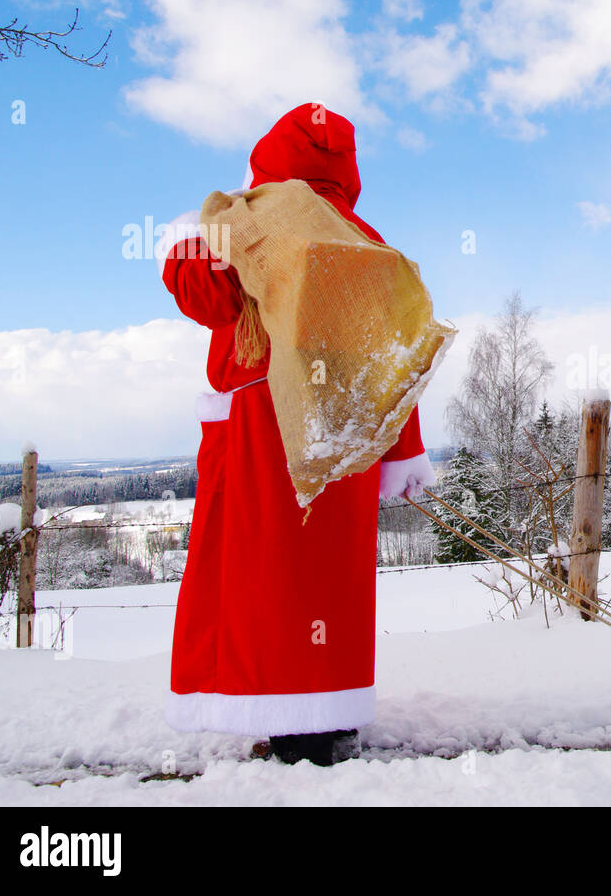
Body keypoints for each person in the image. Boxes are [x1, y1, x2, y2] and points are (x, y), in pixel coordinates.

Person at [157, 102, 434, 765]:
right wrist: (402, 448)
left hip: (266, 426)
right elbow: (395, 360)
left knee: (265, 575)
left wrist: (180, 244)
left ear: (269, 166)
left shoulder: (255, 222)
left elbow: (207, 295)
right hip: (344, 434)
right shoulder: (365, 241)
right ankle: (329, 710)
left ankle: (287, 722)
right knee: (326, 581)